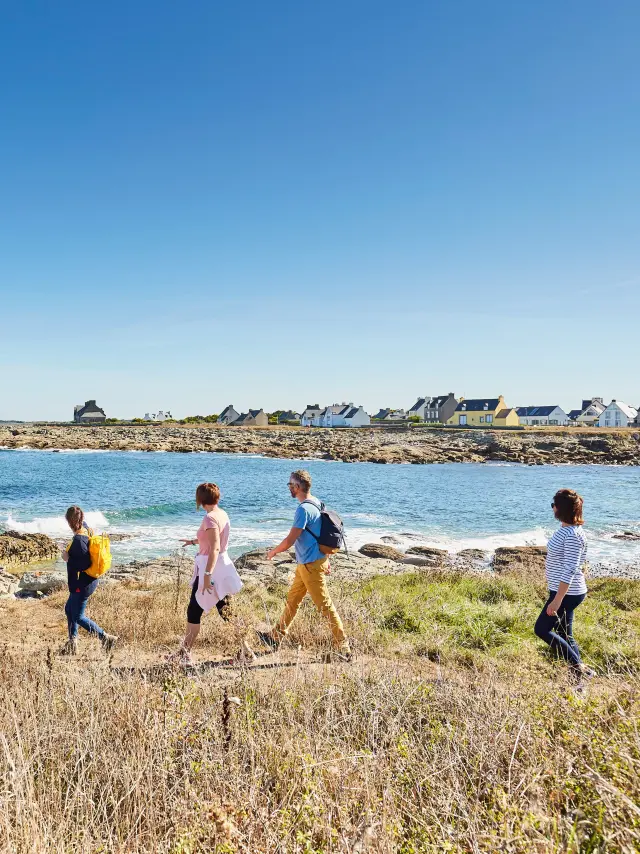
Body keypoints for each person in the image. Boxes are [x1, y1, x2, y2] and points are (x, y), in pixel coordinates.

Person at [258, 469, 352, 661]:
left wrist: (274, 552)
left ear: (298, 487)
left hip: (310, 565)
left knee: (325, 605)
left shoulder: (303, 510)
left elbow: (291, 540)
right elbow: (321, 532)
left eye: (290, 485)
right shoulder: (316, 502)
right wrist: (326, 559)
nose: (289, 488)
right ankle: (275, 637)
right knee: (293, 600)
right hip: (309, 563)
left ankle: (343, 648)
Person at [174, 482, 254, 664]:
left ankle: (184, 654)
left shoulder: (209, 518)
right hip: (221, 567)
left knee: (195, 610)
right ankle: (246, 652)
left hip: (211, 568)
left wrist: (207, 575)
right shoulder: (222, 514)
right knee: (226, 610)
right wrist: (194, 542)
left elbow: (215, 548)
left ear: (201, 499)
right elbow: (212, 541)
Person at [534, 489, 594, 680]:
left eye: (554, 505)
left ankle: (578, 669)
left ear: (561, 509)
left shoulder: (573, 535)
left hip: (568, 593)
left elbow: (570, 568)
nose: (552, 508)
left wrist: (557, 600)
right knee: (565, 634)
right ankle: (580, 674)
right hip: (564, 590)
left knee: (541, 629)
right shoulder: (566, 529)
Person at [60, 505, 117, 655]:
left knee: (78, 616)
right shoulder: (86, 529)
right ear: (81, 518)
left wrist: (68, 558)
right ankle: (73, 643)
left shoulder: (79, 540)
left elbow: (85, 563)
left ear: (69, 522)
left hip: (82, 583)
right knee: (69, 610)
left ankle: (106, 638)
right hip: (87, 581)